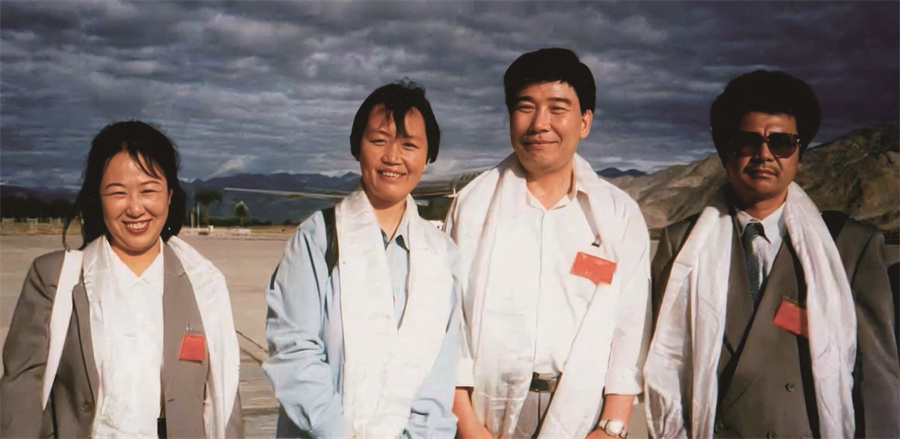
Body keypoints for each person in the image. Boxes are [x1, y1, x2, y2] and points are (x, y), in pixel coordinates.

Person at [644, 70, 900, 438]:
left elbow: (877, 380)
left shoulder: (850, 247)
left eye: (781, 142)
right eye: (747, 141)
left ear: (799, 154)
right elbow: (666, 365)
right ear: (725, 150)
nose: (764, 155)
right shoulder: (681, 245)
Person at [445, 48, 652, 439]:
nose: (540, 123)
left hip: (583, 414)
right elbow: (448, 323)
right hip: (487, 412)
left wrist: (611, 427)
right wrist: (468, 424)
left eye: (557, 108)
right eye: (525, 107)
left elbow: (630, 327)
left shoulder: (617, 215)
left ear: (584, 121)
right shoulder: (472, 207)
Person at [0, 120, 244, 438]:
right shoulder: (53, 279)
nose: (135, 208)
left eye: (148, 191)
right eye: (117, 193)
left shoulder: (205, 284)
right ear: (97, 198)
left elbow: (226, 399)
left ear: (169, 195)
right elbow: (20, 398)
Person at [264, 82, 461, 438]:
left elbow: (439, 376)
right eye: (379, 140)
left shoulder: (442, 256)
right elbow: (295, 351)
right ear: (357, 147)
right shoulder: (318, 239)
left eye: (409, 145)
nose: (393, 157)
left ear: (428, 156)